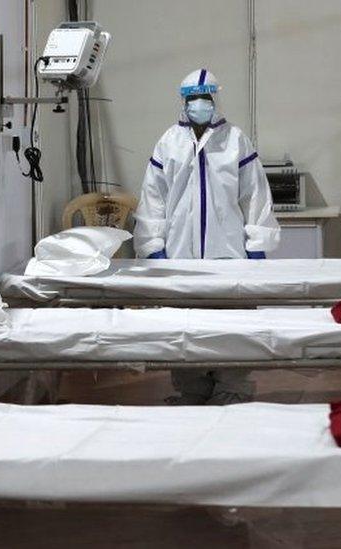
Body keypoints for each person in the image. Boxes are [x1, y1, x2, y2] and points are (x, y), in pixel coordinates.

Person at [134, 68, 280, 405]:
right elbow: (152, 198)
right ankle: (191, 389)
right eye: (193, 98)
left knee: (232, 325)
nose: (199, 104)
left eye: (206, 97)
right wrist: (153, 246)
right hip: (179, 256)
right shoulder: (168, 142)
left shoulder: (235, 140)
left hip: (228, 252)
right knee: (184, 326)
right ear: (183, 101)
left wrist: (257, 245)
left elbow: (255, 194)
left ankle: (233, 388)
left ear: (216, 99)